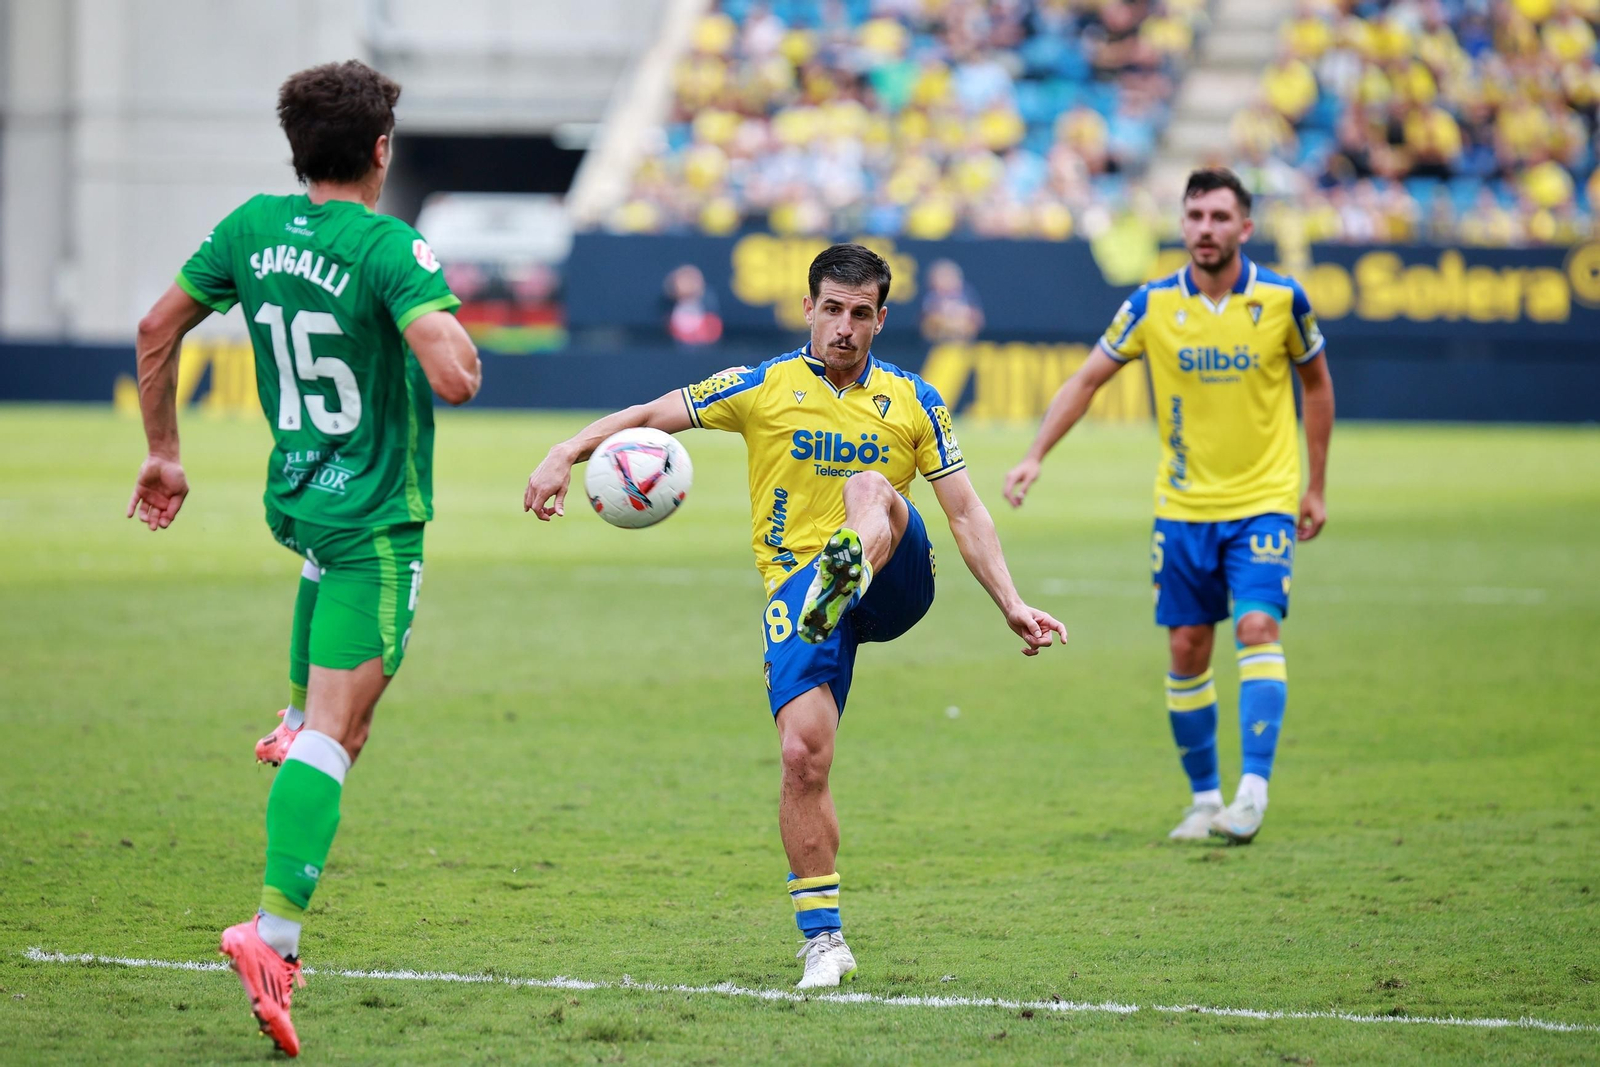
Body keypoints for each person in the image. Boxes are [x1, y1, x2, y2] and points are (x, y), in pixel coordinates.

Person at [524, 243, 1066, 989]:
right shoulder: (761, 385)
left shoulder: (916, 399)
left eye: (861, 313)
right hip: (799, 595)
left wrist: (1012, 602)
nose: (845, 326)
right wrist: (567, 449)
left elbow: (966, 509)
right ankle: (824, 941)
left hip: (895, 574)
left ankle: (847, 564)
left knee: (871, 487)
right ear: (808, 307)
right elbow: (653, 414)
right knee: (801, 755)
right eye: (833, 309)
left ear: (881, 318)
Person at [126, 60, 480, 1056]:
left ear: (296, 151)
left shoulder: (249, 227)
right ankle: (270, 935)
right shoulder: (388, 244)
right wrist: (436, 322)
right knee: (341, 734)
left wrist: (163, 451)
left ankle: (292, 719)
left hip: (302, 505)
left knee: (322, 711)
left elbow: (158, 327)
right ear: (380, 150)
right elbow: (453, 375)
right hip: (372, 521)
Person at [1003, 168, 1334, 846]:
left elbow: (1318, 387)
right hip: (1182, 507)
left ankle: (1252, 793)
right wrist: (1036, 453)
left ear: (1245, 227)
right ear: (1181, 225)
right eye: (1194, 216)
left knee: (1257, 628)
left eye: (1218, 216)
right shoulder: (1152, 304)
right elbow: (1089, 377)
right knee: (1187, 647)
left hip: (1263, 502)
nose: (1204, 229)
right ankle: (1206, 798)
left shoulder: (1281, 300)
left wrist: (1316, 485)